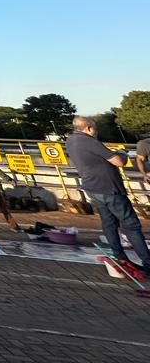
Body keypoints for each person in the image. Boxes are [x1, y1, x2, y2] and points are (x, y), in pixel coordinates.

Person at [66, 115, 150, 277]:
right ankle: (147, 262)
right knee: (131, 225)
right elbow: (118, 162)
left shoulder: (71, 140)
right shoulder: (89, 141)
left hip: (93, 187)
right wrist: (122, 153)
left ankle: (119, 257)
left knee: (109, 223)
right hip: (110, 188)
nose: (96, 132)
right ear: (89, 128)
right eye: (95, 129)